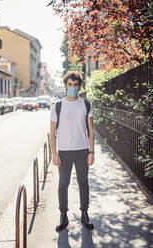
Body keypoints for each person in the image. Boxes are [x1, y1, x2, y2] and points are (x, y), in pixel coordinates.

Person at [50, 71, 95, 232]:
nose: (73, 88)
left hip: (82, 151)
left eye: (76, 85)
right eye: (70, 85)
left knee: (83, 183)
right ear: (65, 86)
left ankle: (85, 214)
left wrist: (92, 152)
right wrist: (54, 154)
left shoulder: (86, 104)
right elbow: (52, 133)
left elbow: (91, 130)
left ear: (79, 86)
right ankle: (63, 215)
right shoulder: (57, 106)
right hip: (64, 152)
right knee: (63, 184)